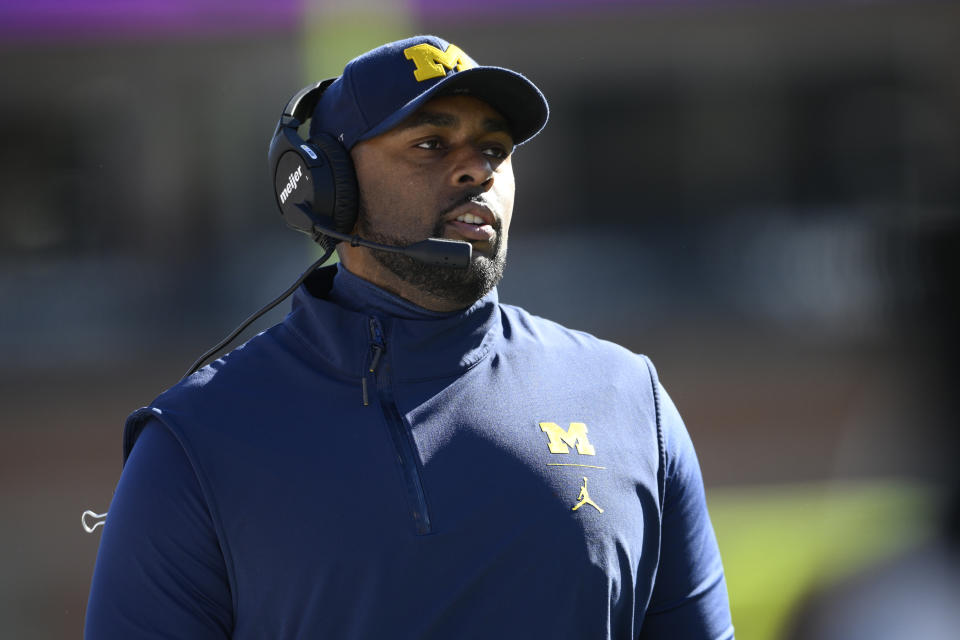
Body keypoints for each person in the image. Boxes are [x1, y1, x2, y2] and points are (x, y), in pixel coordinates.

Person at [85, 35, 734, 639]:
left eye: (495, 148)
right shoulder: (194, 442)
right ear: (326, 187)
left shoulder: (627, 398)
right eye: (430, 144)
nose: (474, 171)